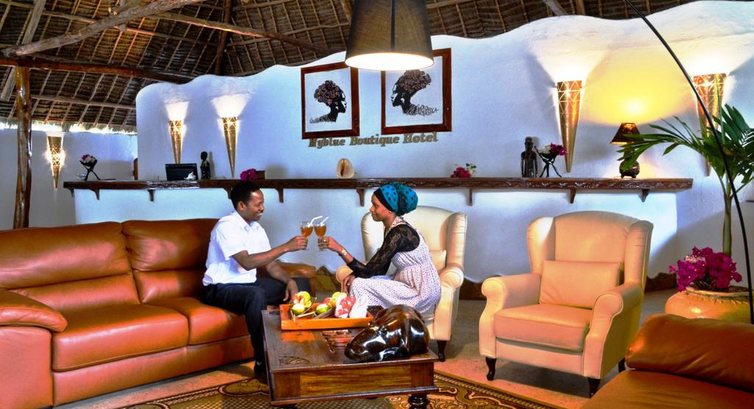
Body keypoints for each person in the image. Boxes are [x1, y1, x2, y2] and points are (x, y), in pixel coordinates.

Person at [201, 181, 310, 383]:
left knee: (302, 284)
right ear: (242, 205)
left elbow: (271, 265)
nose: (263, 208)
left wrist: (290, 281)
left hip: (248, 285)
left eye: (263, 203)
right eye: (258, 204)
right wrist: (286, 247)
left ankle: (298, 349)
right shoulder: (226, 226)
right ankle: (262, 363)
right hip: (219, 288)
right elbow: (247, 262)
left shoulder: (256, 228)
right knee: (255, 295)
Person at [318, 182, 441, 319]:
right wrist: (355, 273)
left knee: (359, 285)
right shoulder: (391, 228)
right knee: (358, 282)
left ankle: (363, 325)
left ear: (389, 210)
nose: (371, 209)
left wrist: (340, 249)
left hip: (421, 290)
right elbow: (379, 269)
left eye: (375, 205)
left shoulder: (400, 233)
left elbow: (368, 271)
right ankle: (367, 323)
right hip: (407, 283)